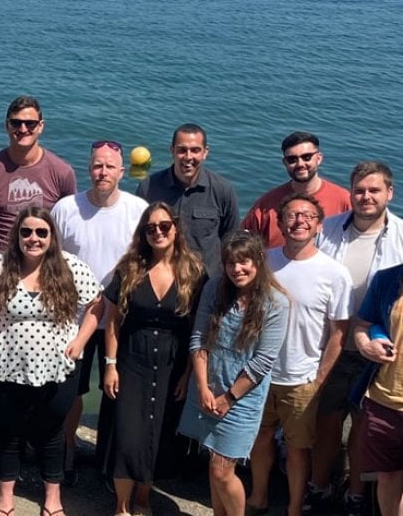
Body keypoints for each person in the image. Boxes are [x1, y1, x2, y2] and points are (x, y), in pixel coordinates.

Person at [0, 207, 102, 516]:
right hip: (7, 365)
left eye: (41, 232)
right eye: (26, 232)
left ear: (52, 236)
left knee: (52, 430)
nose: (33, 238)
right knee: (9, 431)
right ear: (17, 235)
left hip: (59, 366)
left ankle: (52, 495)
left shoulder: (70, 268)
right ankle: (6, 494)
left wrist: (80, 342)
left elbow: (97, 305)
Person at [0, 96, 77, 450]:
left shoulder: (60, 172)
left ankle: (28, 418)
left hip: (42, 272)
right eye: (16, 123)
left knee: (37, 341)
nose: (23, 129)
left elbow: (65, 221)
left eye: (30, 123)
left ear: (41, 126)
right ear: (7, 125)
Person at [247, 193, 352, 516]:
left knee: (298, 449)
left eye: (307, 216)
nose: (299, 221)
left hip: (302, 377)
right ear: (280, 223)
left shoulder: (335, 274)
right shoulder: (264, 261)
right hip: (260, 374)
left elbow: (338, 334)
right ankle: (258, 497)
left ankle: (294, 510)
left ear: (319, 225)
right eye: (292, 215)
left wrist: (319, 379)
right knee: (260, 438)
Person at [307, 161, 403, 516]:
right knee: (326, 420)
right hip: (332, 345)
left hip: (378, 354)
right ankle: (320, 486)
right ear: (351, 192)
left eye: (374, 190)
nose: (366, 197)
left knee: (364, 430)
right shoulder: (328, 229)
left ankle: (357, 496)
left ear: (388, 193)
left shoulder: (401, 236)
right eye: (360, 190)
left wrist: (375, 339)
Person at [102, 202, 205, 516]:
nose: (158, 232)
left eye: (164, 226)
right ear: (143, 234)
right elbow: (114, 321)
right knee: (128, 433)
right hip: (132, 359)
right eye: (151, 228)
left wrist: (189, 374)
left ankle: (143, 502)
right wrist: (110, 364)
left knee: (158, 433)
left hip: (173, 363)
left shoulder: (193, 271)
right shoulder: (130, 268)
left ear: (176, 228)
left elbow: (197, 330)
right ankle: (120, 507)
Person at [178, 232, 290, 516]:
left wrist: (229, 398)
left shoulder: (276, 303)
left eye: (244, 262)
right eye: (230, 263)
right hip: (207, 386)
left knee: (222, 468)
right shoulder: (216, 287)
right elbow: (199, 338)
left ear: (258, 262)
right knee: (213, 460)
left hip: (241, 397)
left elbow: (263, 362)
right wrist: (202, 387)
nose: (237, 269)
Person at [51, 140, 147, 484]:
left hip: (121, 320)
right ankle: (67, 450)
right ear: (87, 169)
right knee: (71, 391)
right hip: (74, 319)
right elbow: (52, 260)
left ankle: (111, 462)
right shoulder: (65, 209)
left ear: (122, 171)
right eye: (96, 166)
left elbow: (147, 259)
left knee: (118, 393)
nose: (102, 172)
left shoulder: (138, 209)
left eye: (109, 166)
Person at [134, 124, 238, 278]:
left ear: (205, 152)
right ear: (172, 151)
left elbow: (231, 242)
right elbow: (138, 238)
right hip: (160, 283)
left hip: (206, 287)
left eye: (195, 150)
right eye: (182, 150)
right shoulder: (148, 188)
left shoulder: (222, 190)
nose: (188, 157)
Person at [353, 264, 403, 516]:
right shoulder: (387, 279)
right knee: (388, 477)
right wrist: (366, 344)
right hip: (383, 400)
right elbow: (363, 324)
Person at [241, 132, 350, 248]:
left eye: (306, 157)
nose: (300, 164)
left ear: (319, 158)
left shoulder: (343, 200)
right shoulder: (265, 206)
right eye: (292, 159)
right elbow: (243, 245)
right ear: (285, 163)